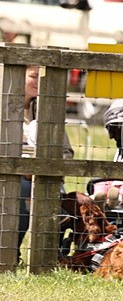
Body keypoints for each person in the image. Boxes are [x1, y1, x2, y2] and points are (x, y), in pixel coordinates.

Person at [17, 66, 74, 256]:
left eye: (42, 78)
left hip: (45, 175)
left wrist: (49, 168)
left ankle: (51, 257)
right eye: (33, 76)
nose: (38, 82)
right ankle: (8, 253)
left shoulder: (47, 111)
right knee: (24, 191)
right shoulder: (5, 110)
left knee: (61, 198)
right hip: (14, 178)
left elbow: (67, 152)